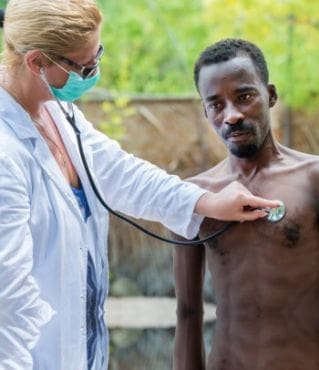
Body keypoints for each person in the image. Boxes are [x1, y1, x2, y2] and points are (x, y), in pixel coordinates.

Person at [0, 2, 280, 369]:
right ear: (36, 62)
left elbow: (122, 173)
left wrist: (205, 202)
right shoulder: (6, 152)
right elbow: (7, 300)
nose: (93, 73)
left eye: (97, 56)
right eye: (82, 67)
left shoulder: (58, 113)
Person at [174, 38, 319, 370]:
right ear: (205, 111)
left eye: (245, 96)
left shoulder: (313, 178)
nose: (232, 115)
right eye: (216, 104)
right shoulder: (194, 196)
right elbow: (187, 312)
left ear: (270, 95)